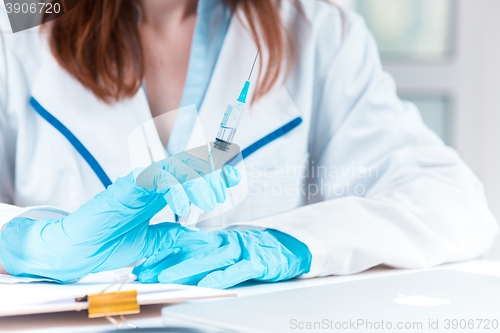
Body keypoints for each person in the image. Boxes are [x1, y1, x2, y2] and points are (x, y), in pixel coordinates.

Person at [0, 0, 497, 288]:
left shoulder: (317, 26)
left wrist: (293, 244)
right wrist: (24, 240)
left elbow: (453, 203)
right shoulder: (15, 23)